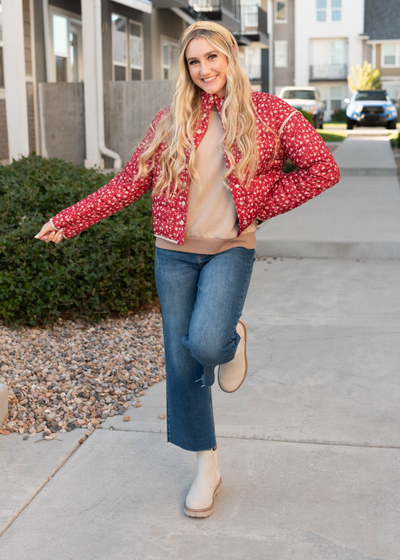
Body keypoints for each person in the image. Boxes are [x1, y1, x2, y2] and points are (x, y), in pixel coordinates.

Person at [34, 21, 340, 518]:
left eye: (212, 58)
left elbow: (322, 167)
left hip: (229, 249)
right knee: (183, 367)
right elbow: (128, 183)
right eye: (194, 62)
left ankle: (229, 338)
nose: (203, 70)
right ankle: (207, 466)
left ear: (230, 56)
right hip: (173, 253)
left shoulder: (271, 114)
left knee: (204, 343)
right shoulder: (172, 118)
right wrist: (68, 220)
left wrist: (260, 208)